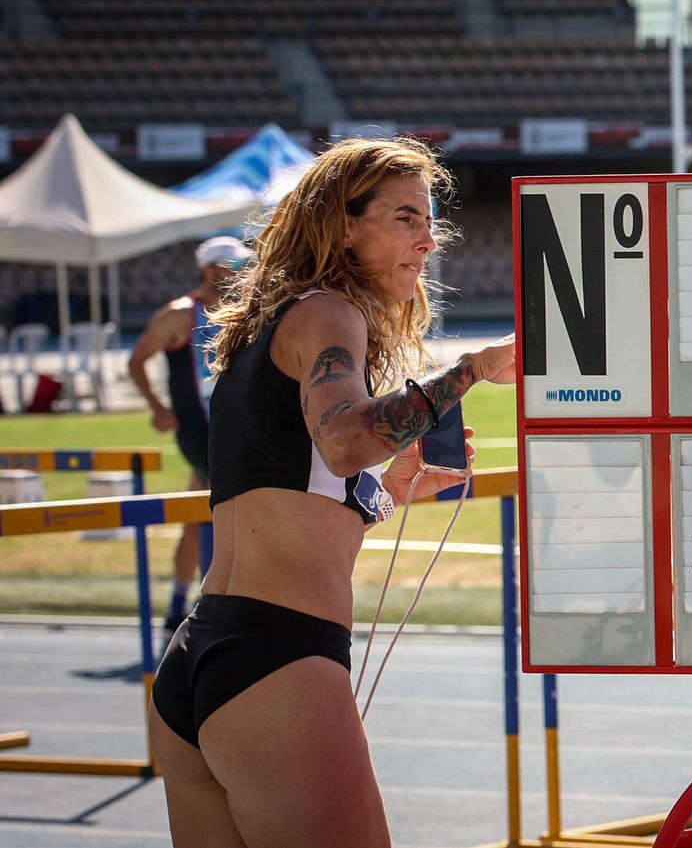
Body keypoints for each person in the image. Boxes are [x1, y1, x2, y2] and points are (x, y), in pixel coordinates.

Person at [147, 136, 516, 847]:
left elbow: (288, 481)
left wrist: (386, 484)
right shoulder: (328, 314)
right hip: (273, 663)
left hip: (199, 659)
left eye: (428, 219)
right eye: (406, 217)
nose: (429, 240)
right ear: (343, 225)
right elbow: (345, 439)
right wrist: (470, 370)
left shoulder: (269, 326)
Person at [128, 236, 253, 642]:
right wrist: (158, 408)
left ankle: (179, 603)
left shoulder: (244, 312)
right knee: (227, 513)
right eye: (233, 268)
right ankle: (216, 606)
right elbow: (137, 359)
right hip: (200, 433)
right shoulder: (180, 314)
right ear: (210, 270)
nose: (241, 275)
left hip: (234, 431)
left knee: (198, 511)